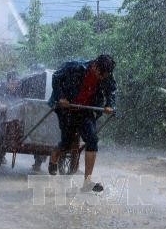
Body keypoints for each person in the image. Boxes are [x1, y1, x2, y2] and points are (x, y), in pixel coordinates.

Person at [47, 54, 116, 192]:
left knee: (92, 140)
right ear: (95, 66)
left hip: (85, 110)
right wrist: (61, 97)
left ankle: (87, 182)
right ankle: (54, 155)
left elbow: (111, 90)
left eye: (105, 76)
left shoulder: (106, 75)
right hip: (67, 108)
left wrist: (110, 104)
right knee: (67, 142)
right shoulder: (75, 66)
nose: (102, 78)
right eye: (100, 75)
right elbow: (56, 78)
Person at [0, 71, 21, 173]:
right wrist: (2, 107)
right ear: (8, 81)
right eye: (13, 83)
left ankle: (3, 151)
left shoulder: (19, 88)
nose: (14, 85)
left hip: (13, 115)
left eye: (16, 83)